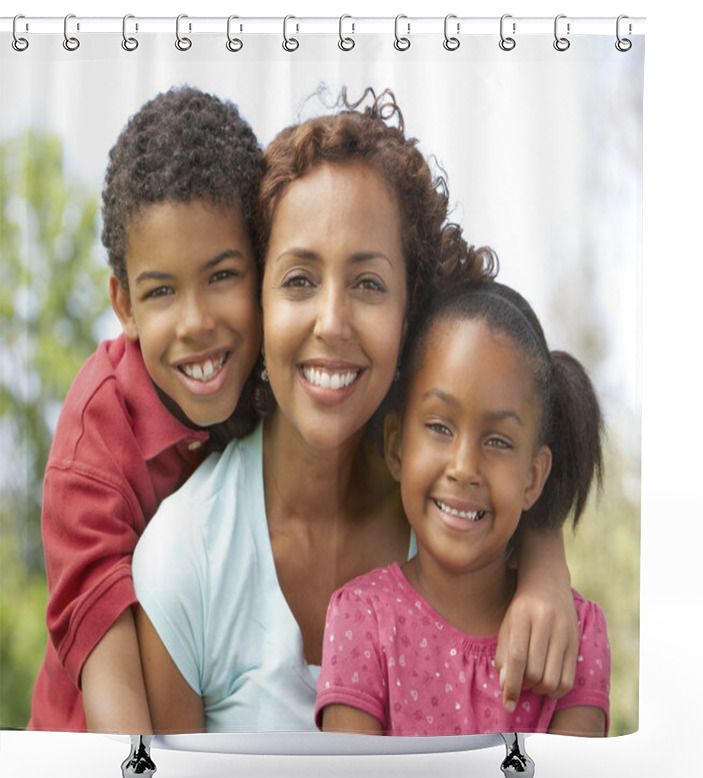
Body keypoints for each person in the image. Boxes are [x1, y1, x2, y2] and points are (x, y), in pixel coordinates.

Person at [132, 89, 580, 734]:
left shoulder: (457, 505)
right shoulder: (186, 560)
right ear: (259, 298)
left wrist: (542, 558)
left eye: (368, 284)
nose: (333, 323)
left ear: (410, 307)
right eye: (299, 280)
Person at [28, 86, 263, 735]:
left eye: (222, 275)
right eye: (162, 291)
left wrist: (542, 562)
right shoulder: (94, 445)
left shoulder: (285, 375)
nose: (196, 322)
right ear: (125, 305)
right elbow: (120, 732)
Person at [316, 282, 610, 736]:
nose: (464, 467)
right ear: (397, 445)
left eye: (497, 441)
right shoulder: (361, 621)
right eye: (439, 426)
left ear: (533, 478)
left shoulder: (576, 634)